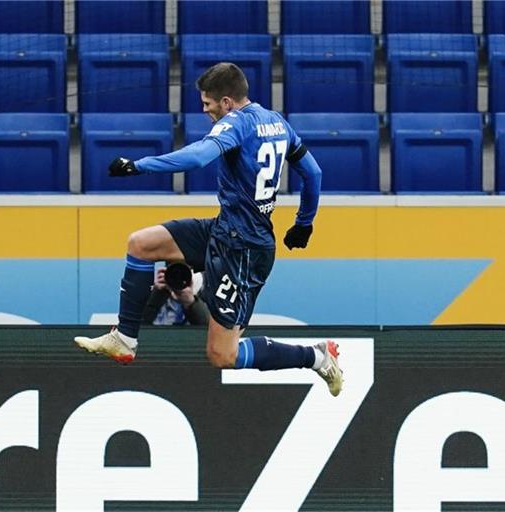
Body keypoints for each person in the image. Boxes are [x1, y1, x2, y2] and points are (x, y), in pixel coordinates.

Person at [74, 62, 343, 396]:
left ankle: (316, 357)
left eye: (207, 104)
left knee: (222, 354)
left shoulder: (237, 123)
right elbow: (313, 173)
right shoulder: (277, 122)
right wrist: (304, 223)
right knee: (141, 244)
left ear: (227, 102)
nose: (205, 111)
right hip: (224, 229)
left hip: (244, 250)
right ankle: (125, 339)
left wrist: (138, 166)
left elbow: (199, 156)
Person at [142, 266, 209, 326]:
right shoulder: (145, 280)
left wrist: (191, 303)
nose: (178, 278)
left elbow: (213, 331)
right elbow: (135, 327)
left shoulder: (208, 282)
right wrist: (156, 297)